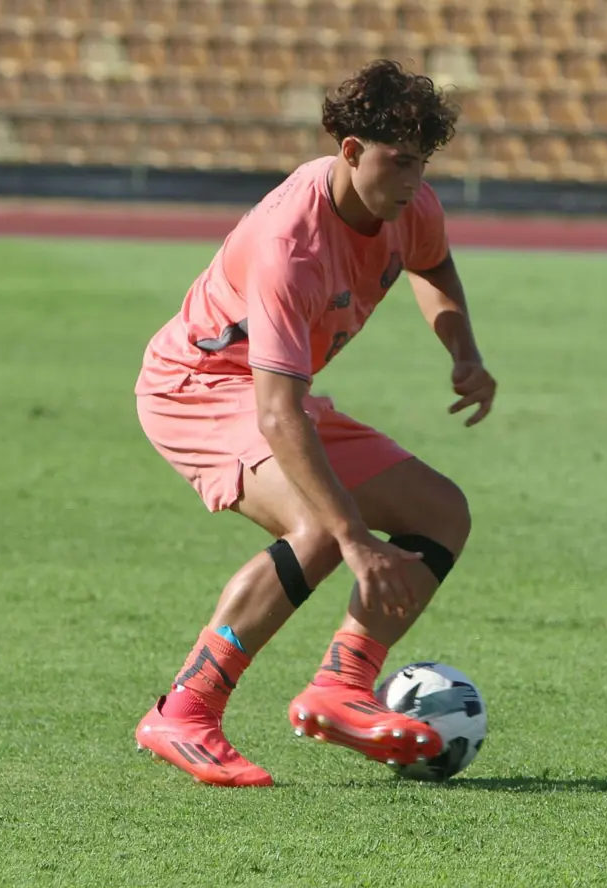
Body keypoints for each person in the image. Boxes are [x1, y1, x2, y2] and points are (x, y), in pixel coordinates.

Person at [132, 61, 497, 787]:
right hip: (197, 389)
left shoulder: (410, 203)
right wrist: (356, 540)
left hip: (271, 394)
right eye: (398, 162)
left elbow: (433, 265)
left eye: (422, 164)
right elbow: (275, 412)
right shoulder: (289, 244)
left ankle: (341, 686)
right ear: (351, 151)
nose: (412, 181)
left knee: (441, 512)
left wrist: (463, 350)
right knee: (321, 527)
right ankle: (185, 708)